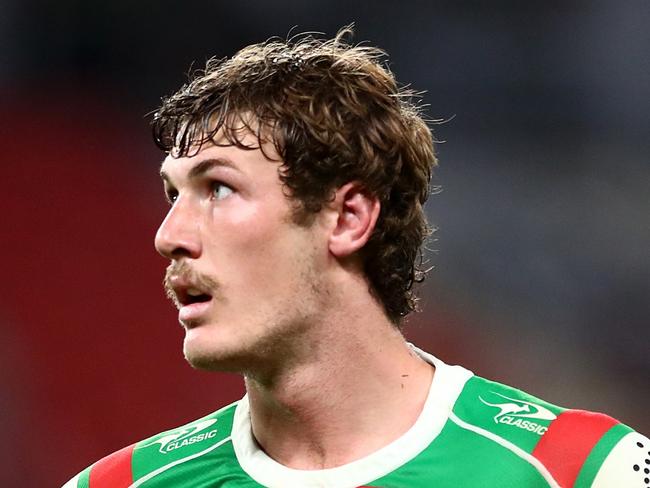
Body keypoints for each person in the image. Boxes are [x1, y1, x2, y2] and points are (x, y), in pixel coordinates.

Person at [64, 28, 648, 488]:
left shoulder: (585, 471)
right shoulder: (122, 484)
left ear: (347, 219)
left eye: (218, 188)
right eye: (172, 195)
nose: (169, 235)